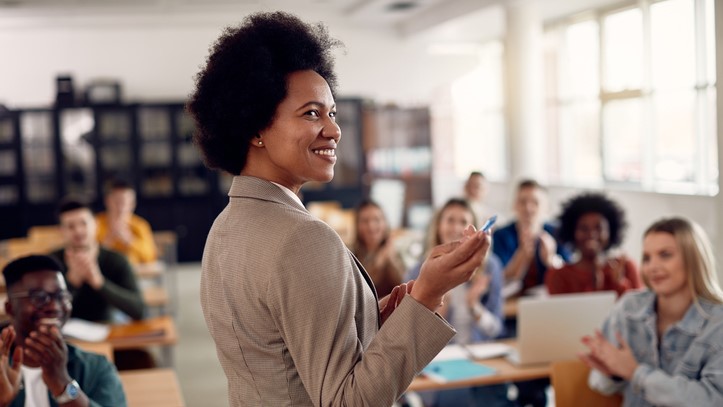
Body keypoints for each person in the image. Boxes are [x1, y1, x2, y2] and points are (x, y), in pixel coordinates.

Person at [187, 11, 491, 406]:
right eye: (311, 113)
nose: (333, 129)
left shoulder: (226, 227)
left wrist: (378, 313)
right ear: (255, 129)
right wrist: (429, 295)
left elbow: (281, 350)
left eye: (331, 113)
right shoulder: (303, 238)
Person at [580, 217, 723, 406]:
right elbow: (598, 383)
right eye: (647, 258)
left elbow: (713, 400)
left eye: (665, 255)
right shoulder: (628, 307)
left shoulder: (717, 323)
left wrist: (635, 373)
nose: (652, 267)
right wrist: (612, 374)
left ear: (693, 258)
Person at [406, 198, 510, 407]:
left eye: (463, 221)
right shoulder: (418, 272)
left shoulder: (490, 268)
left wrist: (475, 307)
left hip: (481, 362)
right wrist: (438, 310)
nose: (455, 228)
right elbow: (409, 338)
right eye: (449, 220)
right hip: (440, 365)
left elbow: (496, 330)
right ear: (438, 225)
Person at [0, 255, 127, 406]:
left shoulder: (95, 368)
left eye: (61, 296)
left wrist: (63, 383)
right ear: (10, 308)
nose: (54, 306)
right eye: (39, 297)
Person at [50, 198, 145, 323]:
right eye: (70, 226)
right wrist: (72, 281)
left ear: (96, 224)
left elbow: (139, 310)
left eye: (83, 223)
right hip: (65, 333)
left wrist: (99, 282)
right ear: (61, 231)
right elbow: (46, 312)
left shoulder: (116, 260)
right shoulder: (51, 263)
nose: (78, 231)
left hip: (108, 331)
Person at [545, 192, 642, 296]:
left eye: (598, 228)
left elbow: (640, 308)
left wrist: (620, 283)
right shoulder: (558, 276)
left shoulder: (625, 267)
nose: (591, 234)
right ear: (572, 232)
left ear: (610, 232)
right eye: (584, 228)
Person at [492, 179, 571, 295]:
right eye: (522, 202)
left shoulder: (557, 233)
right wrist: (521, 255)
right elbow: (498, 278)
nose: (528, 208)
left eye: (535, 202)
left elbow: (570, 274)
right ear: (514, 205)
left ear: (546, 207)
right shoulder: (501, 235)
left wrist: (550, 259)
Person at [95, 179, 157, 265]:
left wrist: (130, 241)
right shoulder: (95, 224)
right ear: (107, 201)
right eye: (116, 201)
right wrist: (108, 240)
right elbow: (89, 256)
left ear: (133, 204)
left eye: (124, 202)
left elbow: (150, 257)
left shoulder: (140, 225)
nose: (120, 207)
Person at [351, 200, 405, 298]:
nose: (371, 226)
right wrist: (379, 261)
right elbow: (359, 293)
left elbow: (405, 286)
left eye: (376, 220)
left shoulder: (396, 252)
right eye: (365, 221)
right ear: (357, 225)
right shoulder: (352, 256)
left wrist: (390, 259)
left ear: (385, 223)